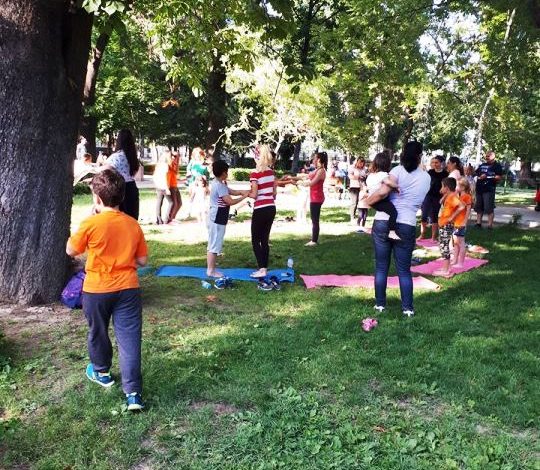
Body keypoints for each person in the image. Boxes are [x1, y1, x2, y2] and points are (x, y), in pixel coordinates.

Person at [66, 169, 148, 411]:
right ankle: (133, 394)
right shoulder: (132, 224)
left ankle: (102, 372)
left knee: (98, 331)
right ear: (121, 196)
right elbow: (142, 261)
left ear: (97, 198)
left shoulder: (91, 223)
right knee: (130, 339)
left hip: (96, 289)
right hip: (128, 288)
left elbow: (71, 250)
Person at [366, 141, 430, 317]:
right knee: (404, 269)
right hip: (407, 223)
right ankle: (407, 308)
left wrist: (368, 201)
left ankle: (380, 305)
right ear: (420, 156)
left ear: (402, 154)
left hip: (383, 221)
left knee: (381, 266)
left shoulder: (396, 171)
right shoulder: (426, 178)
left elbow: (382, 193)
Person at [207, 161, 248, 277]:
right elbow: (230, 201)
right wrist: (243, 197)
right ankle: (211, 271)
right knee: (214, 244)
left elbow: (229, 191)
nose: (228, 173)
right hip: (217, 217)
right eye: (227, 172)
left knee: (214, 243)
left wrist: (241, 192)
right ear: (224, 173)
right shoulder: (219, 185)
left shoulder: (219, 183)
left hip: (218, 216)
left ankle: (211, 268)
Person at [248, 144, 277, 278]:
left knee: (255, 240)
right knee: (264, 240)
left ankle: (262, 268)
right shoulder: (271, 173)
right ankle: (264, 268)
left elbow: (254, 194)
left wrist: (245, 193)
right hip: (271, 207)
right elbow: (274, 193)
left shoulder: (255, 173)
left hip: (260, 208)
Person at [102, 129, 140, 220]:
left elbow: (105, 170)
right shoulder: (133, 157)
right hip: (132, 187)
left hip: (119, 188)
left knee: (119, 219)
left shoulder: (116, 157)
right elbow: (134, 171)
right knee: (132, 218)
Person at [433, 177, 465, 277]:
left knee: (444, 246)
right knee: (443, 245)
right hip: (444, 224)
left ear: (446, 188)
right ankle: (445, 267)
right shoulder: (449, 196)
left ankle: (446, 270)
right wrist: (445, 194)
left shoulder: (452, 197)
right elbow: (440, 201)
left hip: (446, 225)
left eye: (442, 186)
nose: (441, 188)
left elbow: (462, 206)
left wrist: (452, 217)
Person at [366, 152, 400, 240]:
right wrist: (397, 187)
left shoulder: (371, 175)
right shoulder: (383, 174)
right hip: (380, 201)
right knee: (393, 212)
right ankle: (392, 231)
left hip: (372, 200)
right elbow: (388, 182)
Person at [418, 155, 448, 241]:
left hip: (437, 197)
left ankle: (433, 237)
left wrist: (443, 197)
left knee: (434, 216)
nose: (434, 164)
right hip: (428, 196)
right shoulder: (430, 172)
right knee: (424, 215)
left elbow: (446, 187)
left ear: (441, 163)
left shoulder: (445, 174)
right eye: (433, 162)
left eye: (436, 162)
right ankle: (422, 235)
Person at [475, 150, 502, 229]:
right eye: (486, 156)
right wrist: (471, 171)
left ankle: (490, 225)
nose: (486, 157)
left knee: (489, 208)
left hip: (489, 189)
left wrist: (487, 176)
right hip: (479, 189)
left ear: (493, 156)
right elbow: (476, 173)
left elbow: (499, 177)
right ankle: (478, 223)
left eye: (488, 156)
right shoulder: (482, 165)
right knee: (479, 207)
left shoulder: (497, 166)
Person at [452, 177, 473, 268]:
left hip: (461, 223)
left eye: (457, 185)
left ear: (463, 187)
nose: (455, 187)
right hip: (456, 222)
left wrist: (464, 221)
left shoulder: (467, 197)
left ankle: (460, 263)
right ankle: (455, 260)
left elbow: (468, 210)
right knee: (456, 242)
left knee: (461, 243)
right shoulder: (458, 196)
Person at [348, 157, 369, 226]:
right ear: (357, 162)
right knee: (354, 202)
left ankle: (362, 217)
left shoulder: (364, 169)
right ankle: (352, 217)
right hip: (354, 186)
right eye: (360, 162)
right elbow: (350, 176)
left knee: (362, 203)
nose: (361, 164)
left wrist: (364, 178)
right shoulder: (352, 168)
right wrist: (358, 177)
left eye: (362, 163)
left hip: (362, 188)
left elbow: (366, 177)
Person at [153, 151, 170, 225]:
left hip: (158, 185)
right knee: (171, 202)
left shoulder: (158, 165)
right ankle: (167, 218)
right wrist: (167, 188)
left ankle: (158, 219)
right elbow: (164, 177)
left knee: (159, 202)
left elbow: (154, 176)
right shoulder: (165, 165)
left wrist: (156, 184)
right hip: (163, 186)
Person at [166, 150, 182, 224]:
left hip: (175, 185)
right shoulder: (169, 164)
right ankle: (169, 219)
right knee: (174, 203)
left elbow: (176, 174)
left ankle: (173, 218)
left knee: (179, 203)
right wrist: (167, 187)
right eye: (174, 156)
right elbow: (168, 175)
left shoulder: (175, 164)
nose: (175, 158)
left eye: (177, 156)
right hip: (171, 186)